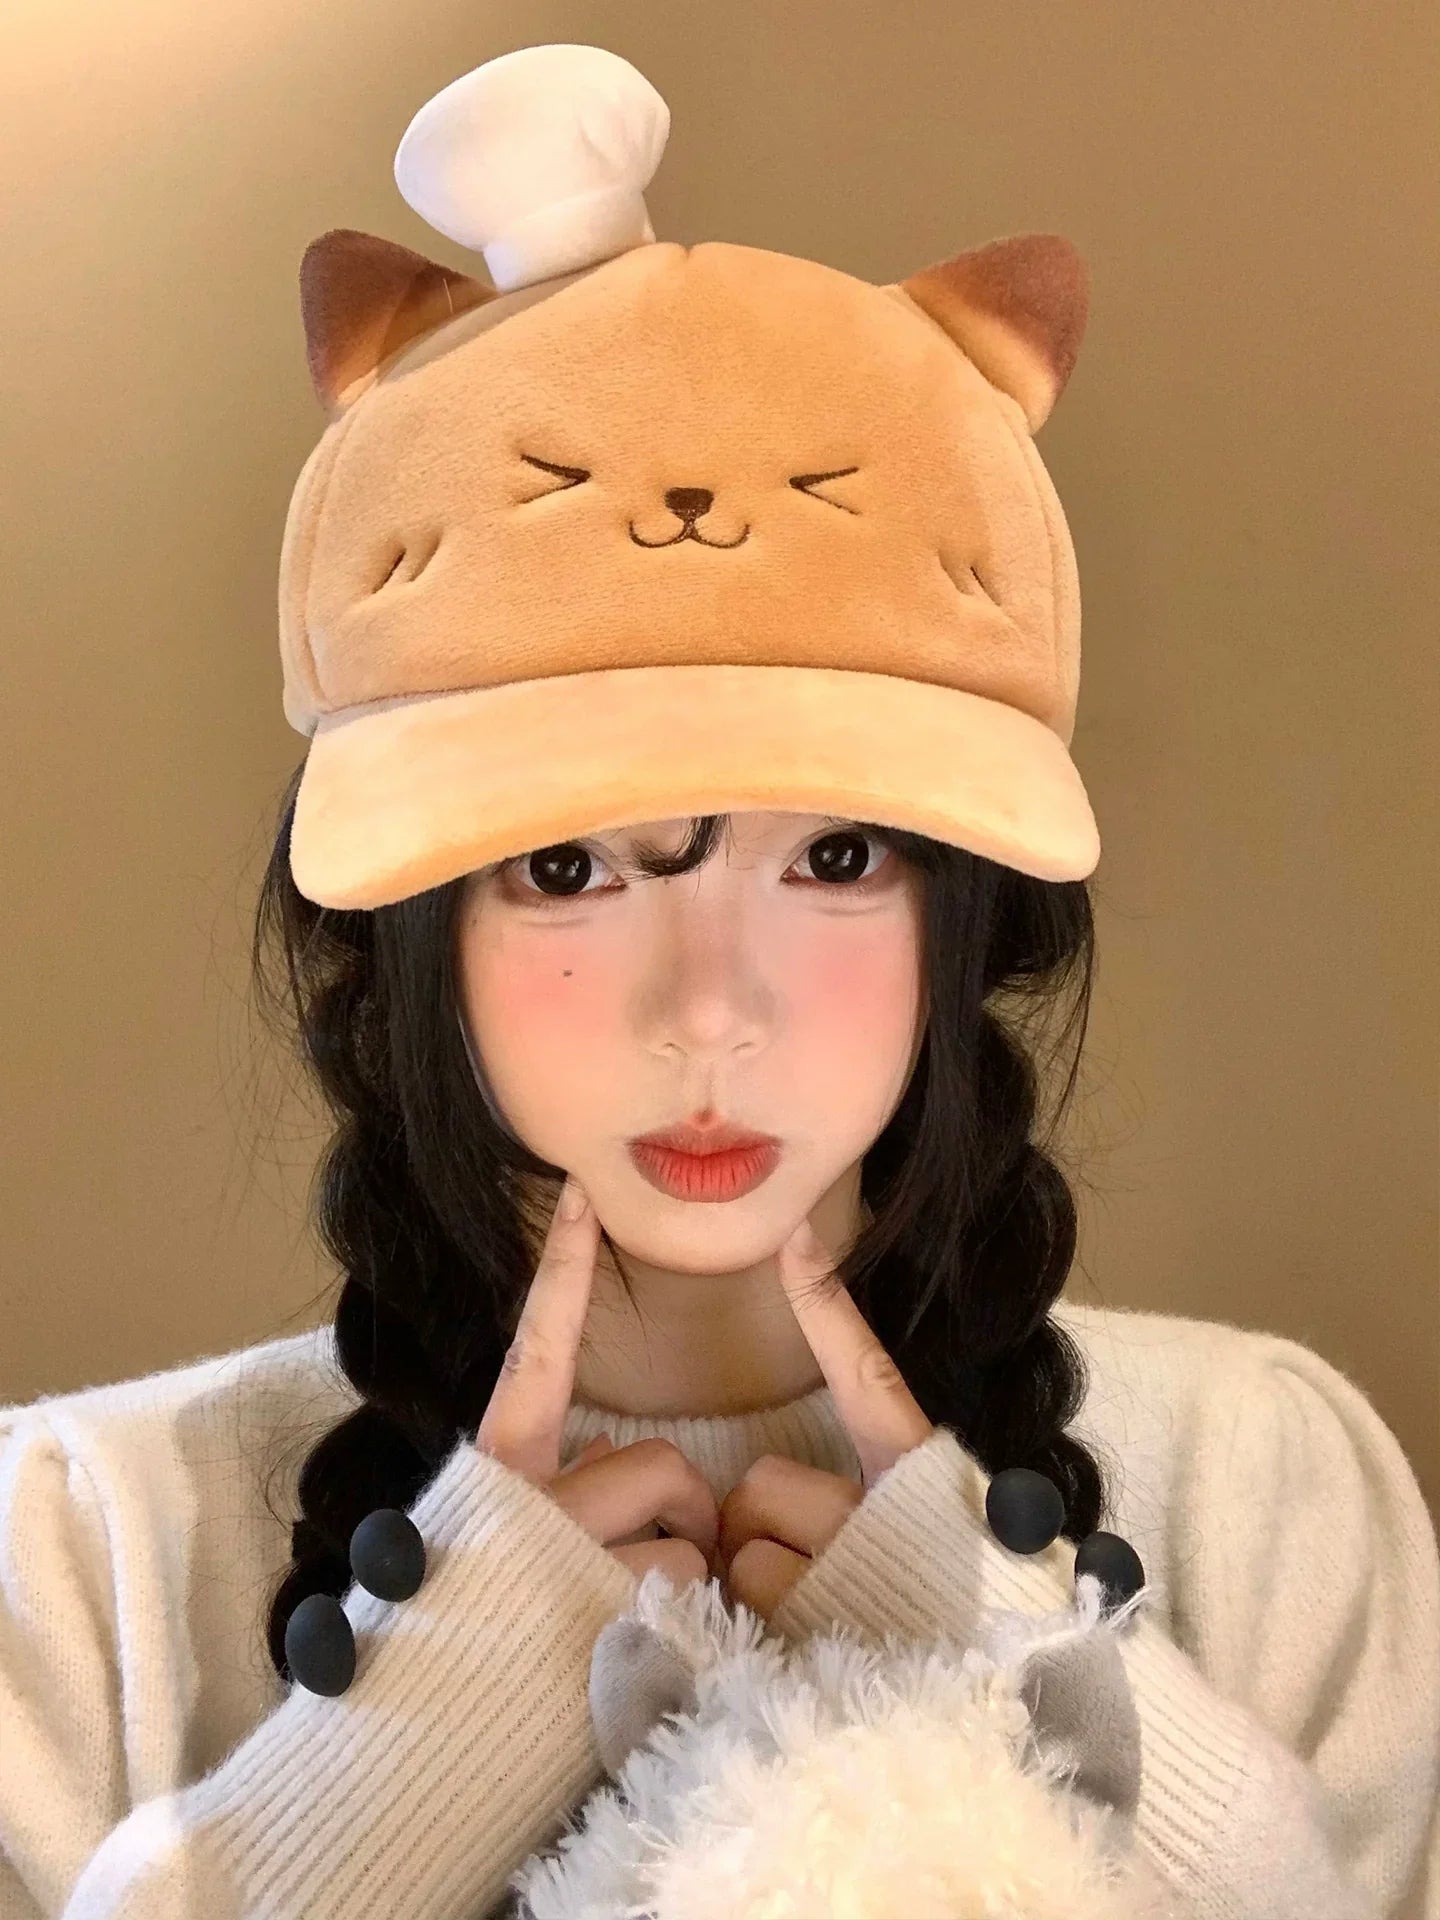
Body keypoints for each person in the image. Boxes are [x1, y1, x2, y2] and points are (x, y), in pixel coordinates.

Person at [3, 41, 1437, 1920]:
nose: (707, 1014)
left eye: (835, 859)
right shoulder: (84, 1553)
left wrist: (1047, 1706)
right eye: (566, 866)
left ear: (970, 913)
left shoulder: (1262, 1491)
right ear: (408, 933)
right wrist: (371, 1787)